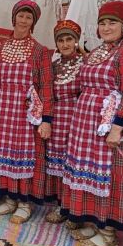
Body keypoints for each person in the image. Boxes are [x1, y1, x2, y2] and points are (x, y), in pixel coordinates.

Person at [61, 1, 123, 246]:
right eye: (102, 22)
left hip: (109, 125)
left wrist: (118, 127)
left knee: (109, 176)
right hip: (85, 124)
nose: (106, 27)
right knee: (88, 172)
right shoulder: (99, 50)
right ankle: (95, 222)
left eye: (112, 22)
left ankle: (109, 231)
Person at [0, 0, 53, 224]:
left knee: (23, 157)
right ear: (13, 19)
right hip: (1, 109)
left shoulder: (40, 51)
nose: (23, 20)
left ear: (33, 22)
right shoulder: (0, 47)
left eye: (28, 17)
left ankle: (24, 203)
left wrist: (46, 119)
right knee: (3, 154)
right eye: (20, 16)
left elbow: (46, 86)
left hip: (25, 112)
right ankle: (9, 200)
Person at [44, 20, 83, 223]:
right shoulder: (54, 65)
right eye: (61, 40)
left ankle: (75, 208)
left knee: (75, 164)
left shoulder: (86, 64)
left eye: (69, 39)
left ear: (76, 41)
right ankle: (62, 205)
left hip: (78, 119)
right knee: (59, 164)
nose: (65, 44)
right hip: (58, 118)